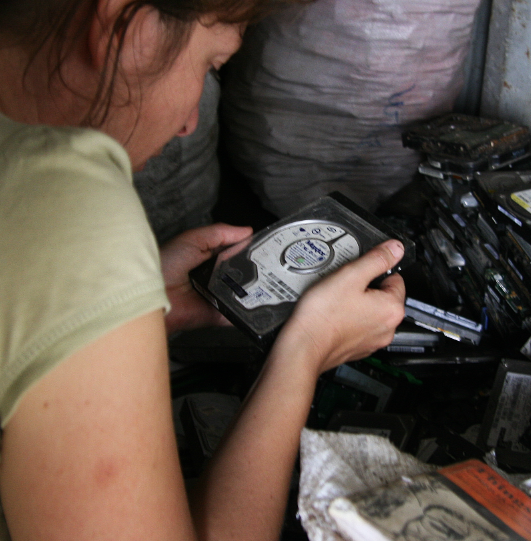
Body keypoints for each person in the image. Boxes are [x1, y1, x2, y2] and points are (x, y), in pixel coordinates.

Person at [0, 0, 406, 539]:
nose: (192, 122)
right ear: (129, 27)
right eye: (210, 65)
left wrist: (135, 310)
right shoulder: (67, 200)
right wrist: (304, 351)